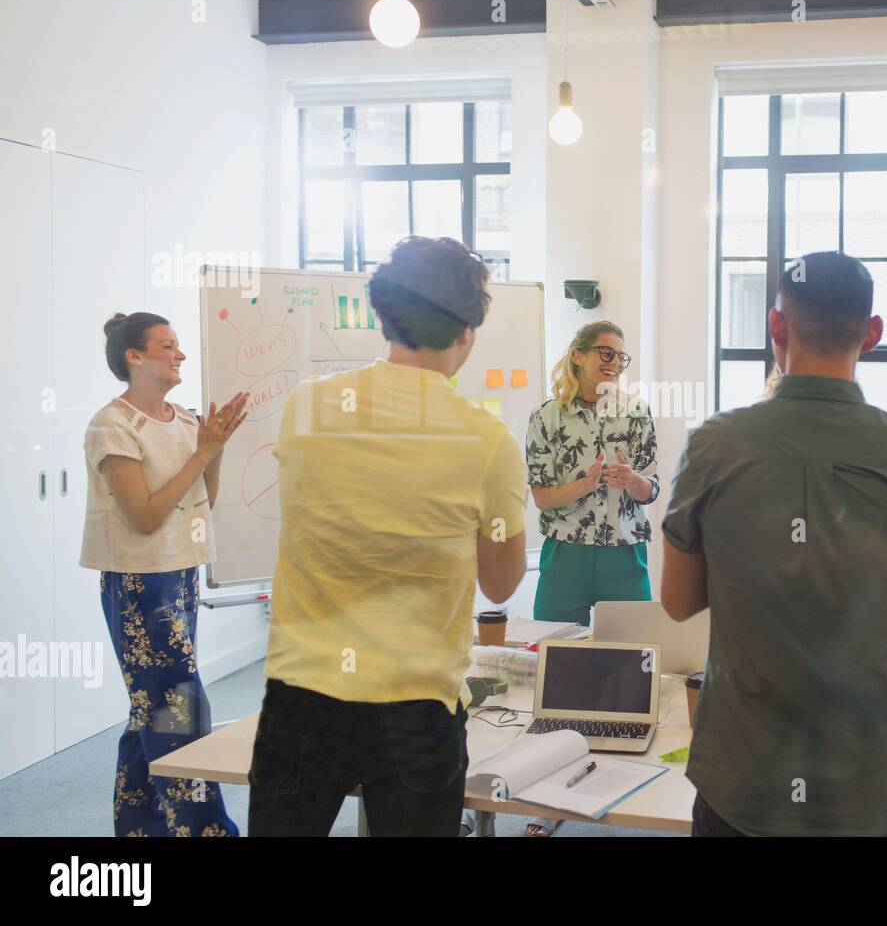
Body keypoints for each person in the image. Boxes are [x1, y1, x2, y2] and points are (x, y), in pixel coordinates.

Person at [660, 252, 887, 836]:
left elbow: (678, 602)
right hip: (872, 780)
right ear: (874, 333)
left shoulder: (712, 446)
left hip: (745, 776)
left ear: (777, 328)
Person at [249, 236, 526, 836]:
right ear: (468, 329)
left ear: (383, 314)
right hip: (415, 703)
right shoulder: (489, 442)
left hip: (304, 691)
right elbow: (501, 585)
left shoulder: (306, 407)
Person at [81, 312, 248, 836]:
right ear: (135, 357)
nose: (179, 355)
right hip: (139, 581)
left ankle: (139, 826)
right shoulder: (112, 424)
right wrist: (203, 451)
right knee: (177, 704)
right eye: (167, 346)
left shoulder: (181, 419)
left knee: (150, 706)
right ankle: (207, 829)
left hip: (180, 574)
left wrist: (212, 449)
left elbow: (204, 499)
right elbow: (146, 515)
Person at [525, 320, 659, 625]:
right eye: (606, 353)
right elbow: (542, 498)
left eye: (621, 357)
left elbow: (651, 491)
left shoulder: (637, 412)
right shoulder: (546, 416)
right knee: (556, 654)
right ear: (578, 356)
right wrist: (584, 486)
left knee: (634, 653)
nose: (615, 364)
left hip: (625, 553)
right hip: (565, 554)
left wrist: (633, 481)